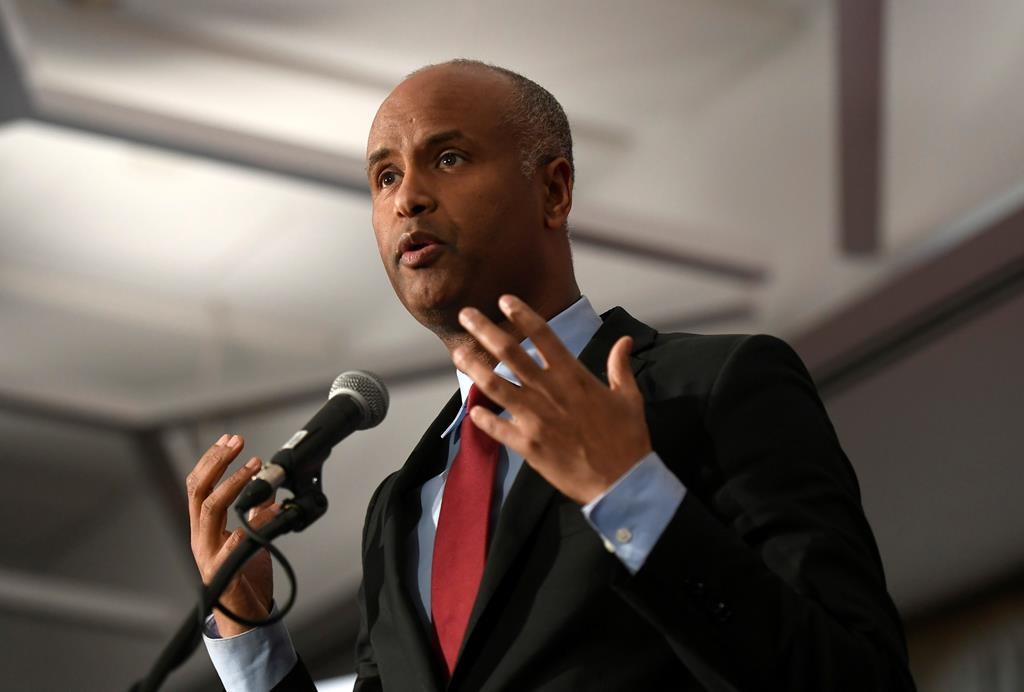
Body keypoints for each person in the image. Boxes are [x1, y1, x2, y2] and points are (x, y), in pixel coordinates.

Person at [188, 59, 917, 691]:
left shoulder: (714, 388)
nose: (406, 197)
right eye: (384, 176)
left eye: (446, 159)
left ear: (555, 191)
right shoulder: (398, 510)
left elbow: (857, 679)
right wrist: (251, 637)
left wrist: (630, 494)